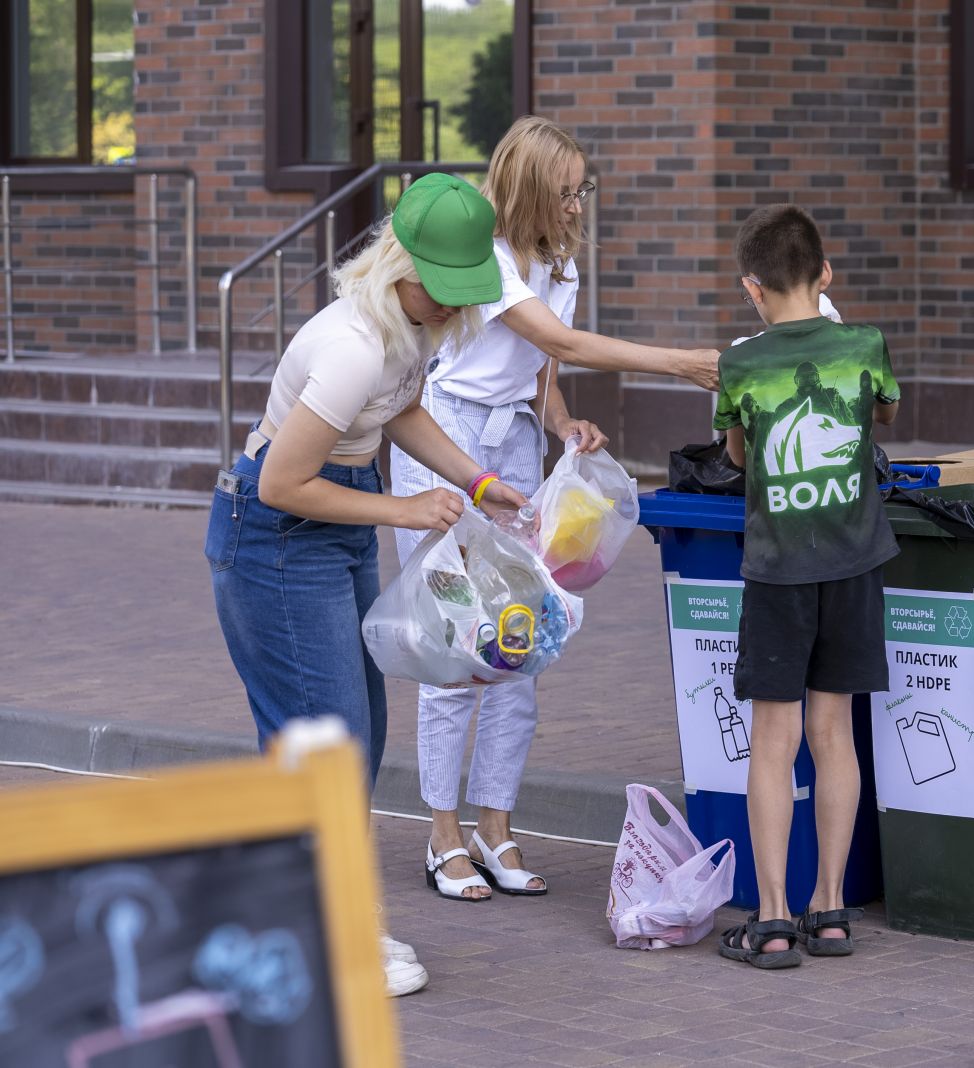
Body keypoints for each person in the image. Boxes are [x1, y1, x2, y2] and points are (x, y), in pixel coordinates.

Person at [205, 173, 525, 996]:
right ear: (400, 264)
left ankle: (301, 918)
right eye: (444, 291)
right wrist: (405, 507)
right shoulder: (351, 344)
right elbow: (280, 483)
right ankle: (333, 934)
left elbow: (403, 412)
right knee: (329, 740)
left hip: (329, 538)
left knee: (357, 731)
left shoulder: (411, 328)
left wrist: (478, 482)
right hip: (278, 539)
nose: (457, 309)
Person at [390, 115, 722, 904]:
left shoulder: (556, 263)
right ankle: (443, 837)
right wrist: (677, 361)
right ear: (534, 192)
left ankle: (496, 829)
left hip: (512, 440)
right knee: (453, 650)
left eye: (582, 192)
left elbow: (540, 369)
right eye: (567, 194)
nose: (578, 207)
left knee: (519, 647)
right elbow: (559, 342)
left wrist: (563, 421)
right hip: (446, 436)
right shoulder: (492, 260)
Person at [712, 204, 900, 968]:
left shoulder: (740, 364)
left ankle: (773, 918)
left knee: (773, 742)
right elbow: (880, 413)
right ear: (826, 275)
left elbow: (735, 453)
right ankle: (830, 908)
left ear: (751, 288)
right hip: (853, 566)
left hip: (779, 573)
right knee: (834, 738)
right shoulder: (864, 345)